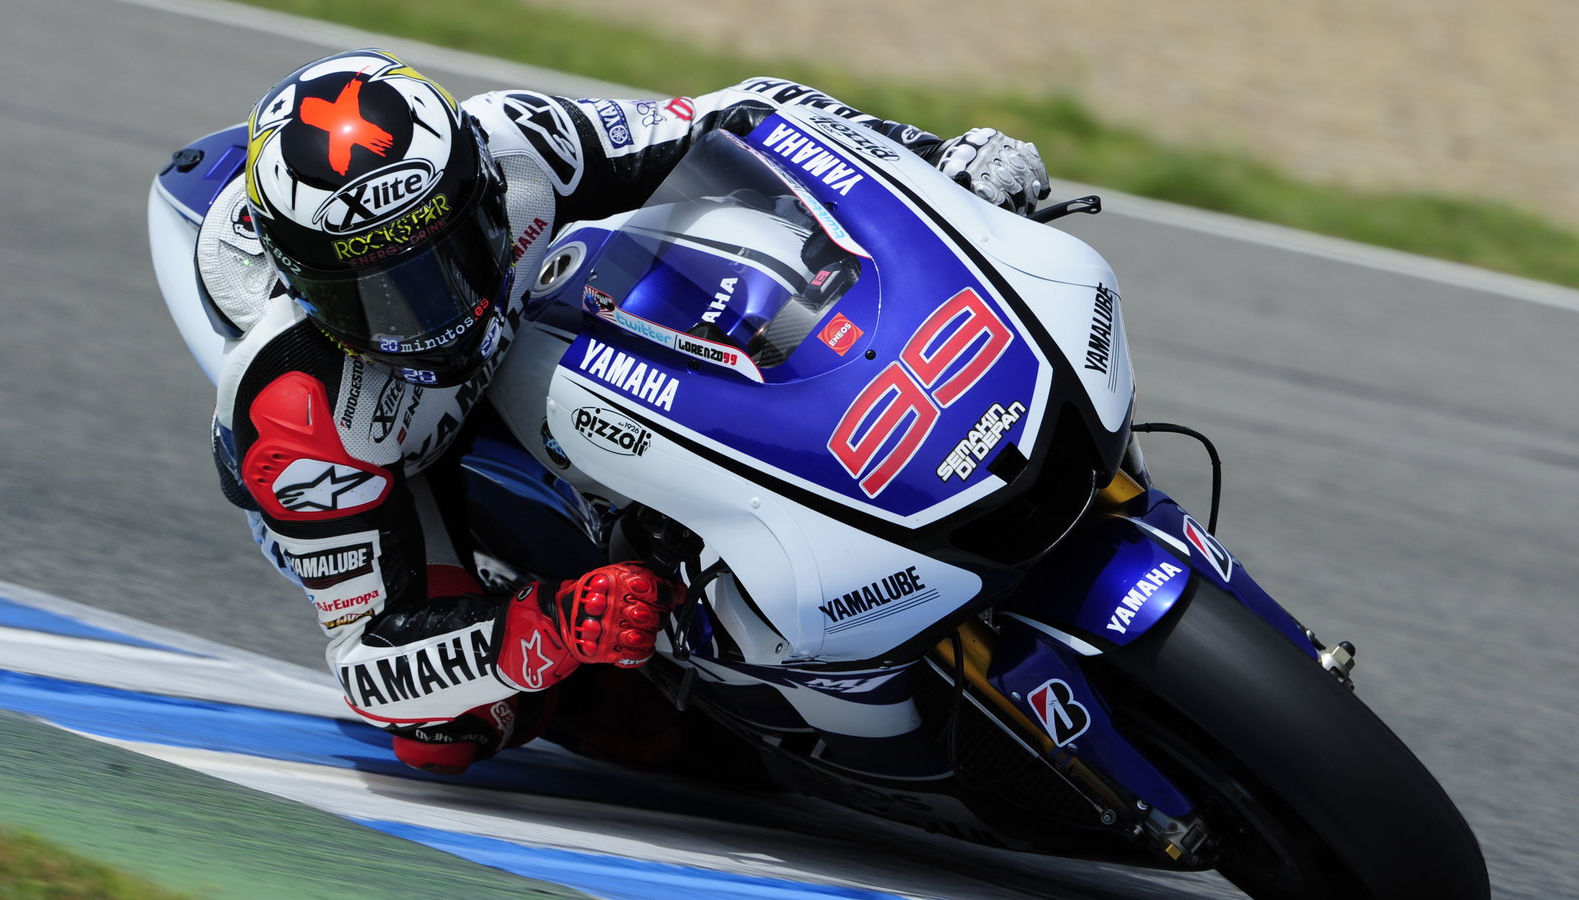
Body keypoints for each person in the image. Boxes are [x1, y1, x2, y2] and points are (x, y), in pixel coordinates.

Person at [198, 47, 1050, 776]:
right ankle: (691, 701)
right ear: (307, 290)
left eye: (445, 259)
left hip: (561, 308)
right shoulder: (297, 411)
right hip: (408, 460)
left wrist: (930, 158)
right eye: (378, 297)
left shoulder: (522, 143)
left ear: (483, 189)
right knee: (449, 734)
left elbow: (744, 114)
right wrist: (556, 626)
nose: (432, 315)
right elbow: (367, 662)